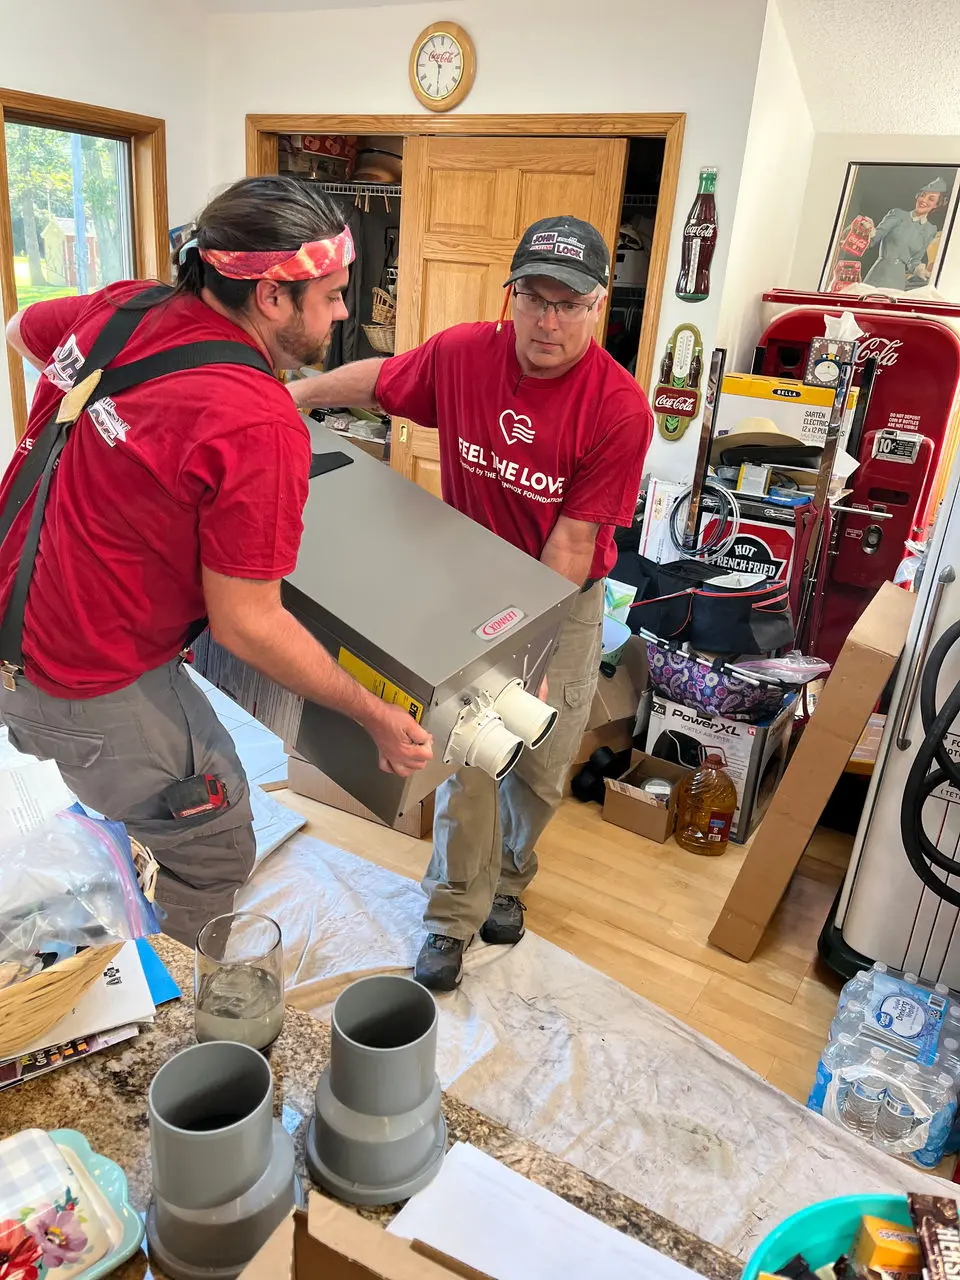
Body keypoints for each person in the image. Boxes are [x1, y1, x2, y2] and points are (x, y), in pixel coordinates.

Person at [0, 175, 432, 946]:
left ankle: (131, 841)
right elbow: (245, 624)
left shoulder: (121, 307)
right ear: (271, 295)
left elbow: (20, 330)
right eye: (332, 295)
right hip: (86, 682)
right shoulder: (254, 420)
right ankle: (181, 1022)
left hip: (14, 629)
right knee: (214, 835)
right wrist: (372, 713)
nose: (343, 311)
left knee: (144, 794)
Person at [290, 215, 653, 990]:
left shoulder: (619, 409)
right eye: (534, 299)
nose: (547, 321)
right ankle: (450, 918)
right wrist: (297, 396)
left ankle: (511, 882)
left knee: (545, 764)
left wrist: (538, 650)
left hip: (563, 597)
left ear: (597, 310)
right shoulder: (463, 355)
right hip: (465, 586)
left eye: (568, 304)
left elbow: (573, 544)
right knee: (473, 759)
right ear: (511, 296)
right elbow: (381, 381)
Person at [861, 177, 948, 290]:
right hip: (879, 273)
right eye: (922, 195)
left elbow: (914, 261)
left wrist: (921, 271)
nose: (923, 200)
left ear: (937, 205)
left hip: (898, 280)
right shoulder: (897, 214)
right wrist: (870, 230)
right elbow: (875, 238)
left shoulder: (930, 230)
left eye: (931, 199)